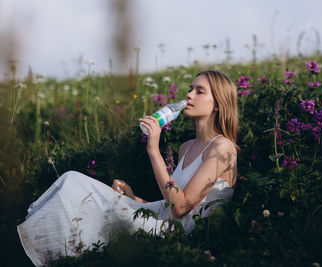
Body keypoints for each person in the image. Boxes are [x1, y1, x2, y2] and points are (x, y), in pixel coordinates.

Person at [17, 70, 239, 266]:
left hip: (176, 235)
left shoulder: (222, 148)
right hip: (163, 220)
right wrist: (134, 199)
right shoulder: (186, 147)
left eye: (199, 91)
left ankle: (26, 252)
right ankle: (35, 249)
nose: (188, 95)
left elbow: (180, 208)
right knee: (72, 180)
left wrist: (153, 150)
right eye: (190, 89)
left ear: (218, 104)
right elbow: (167, 204)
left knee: (74, 185)